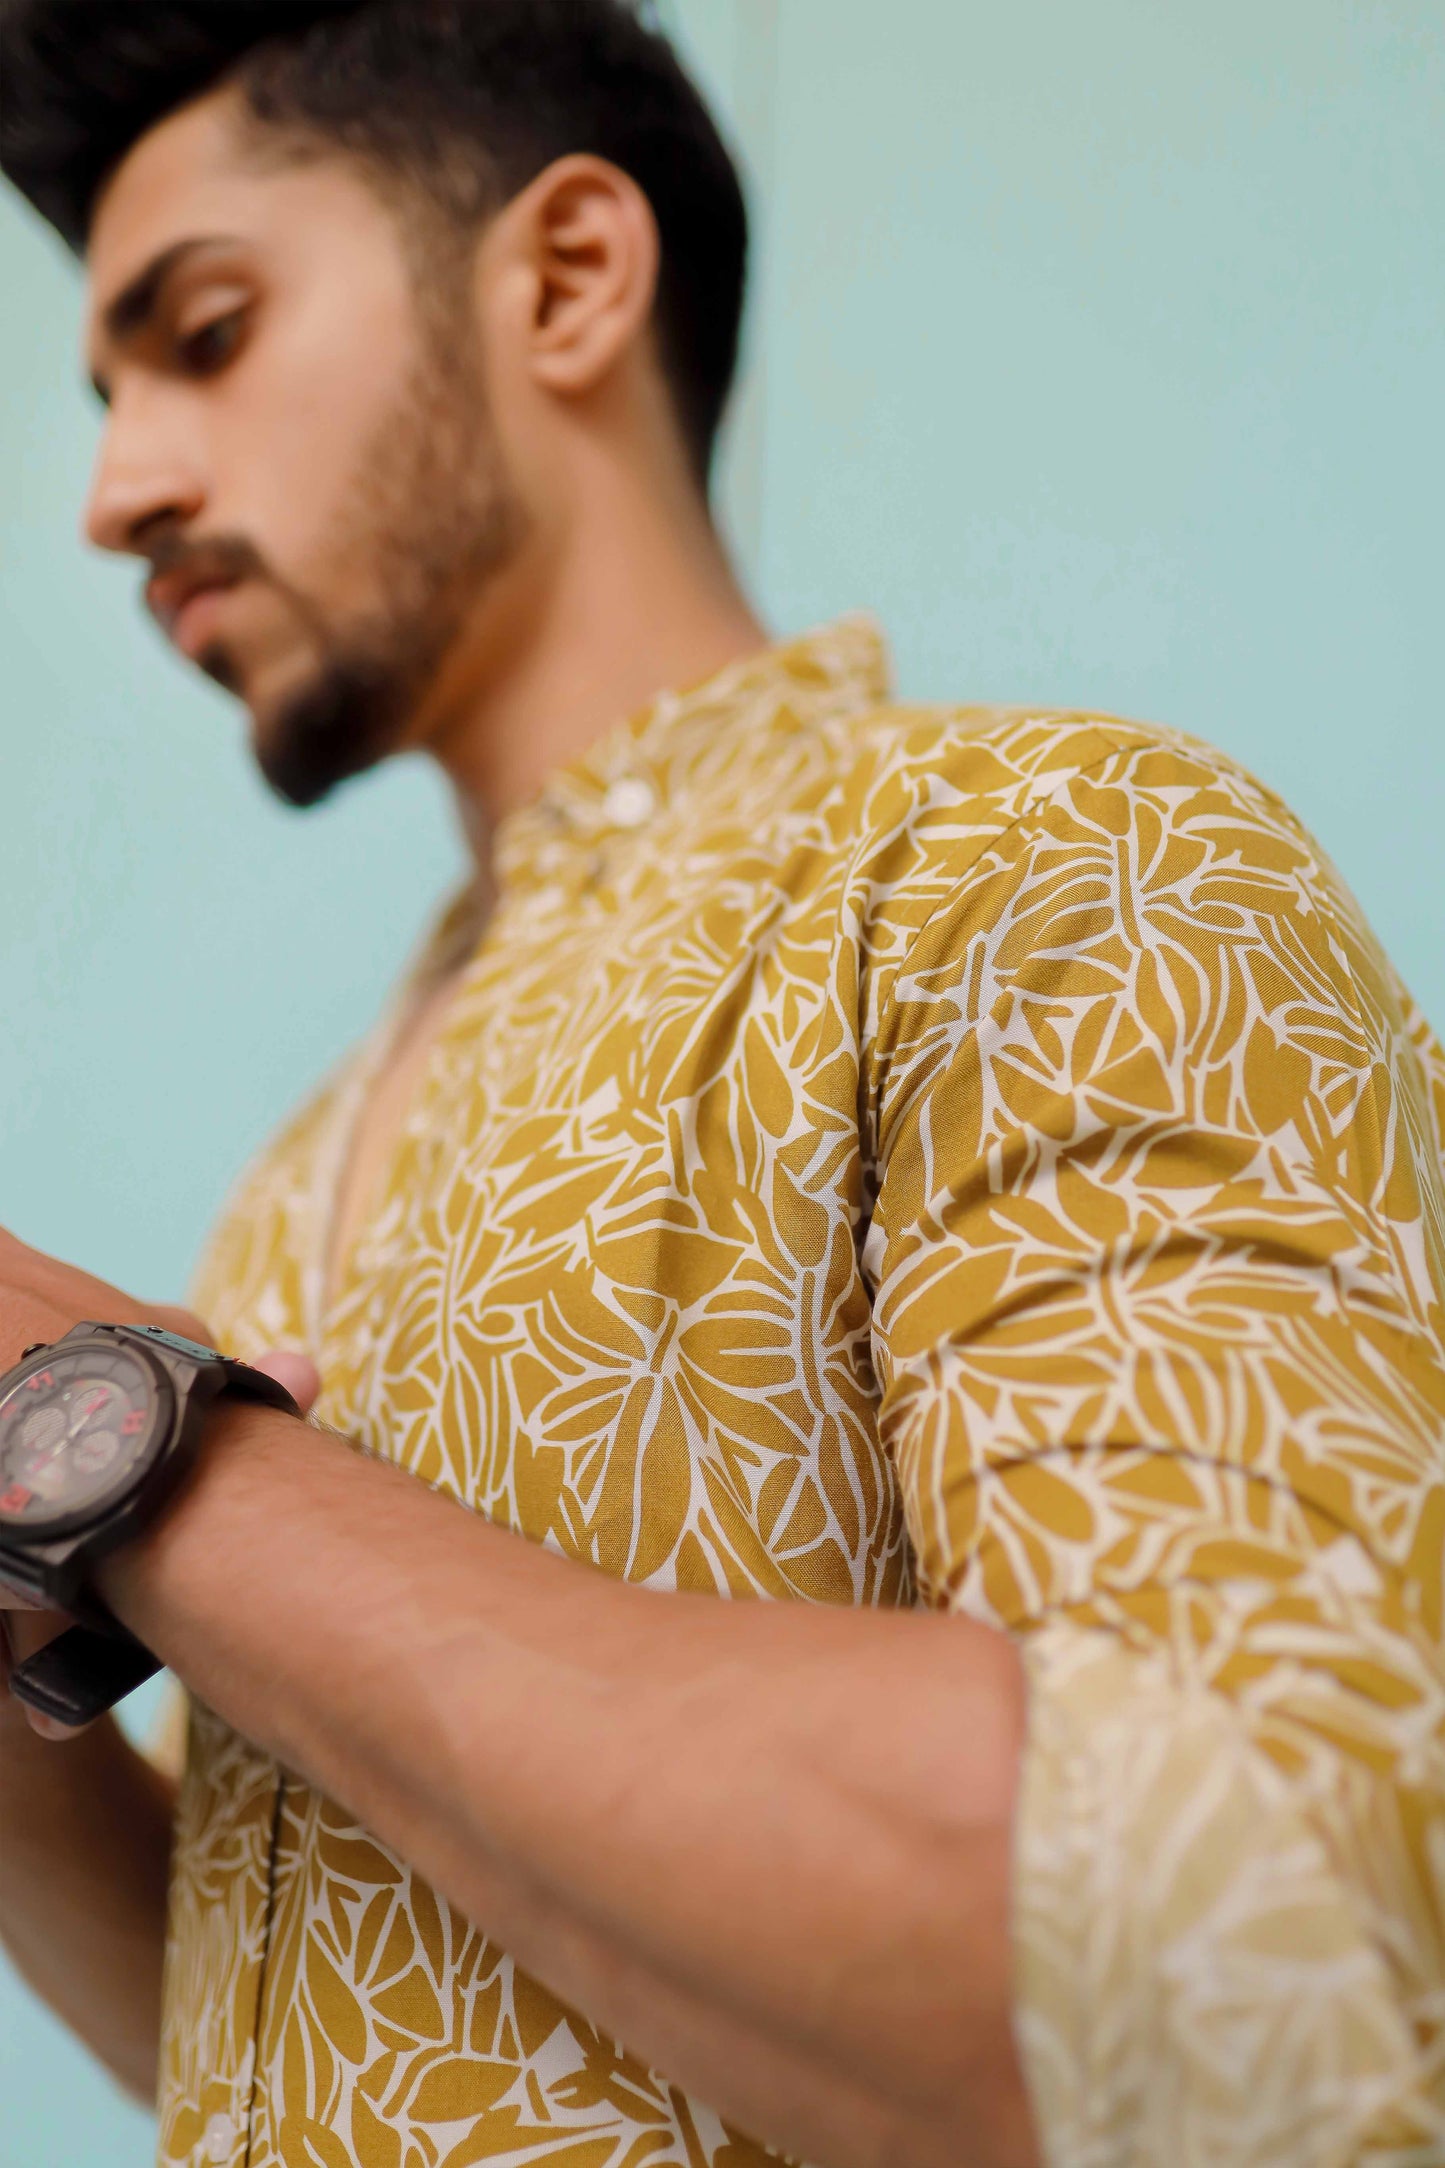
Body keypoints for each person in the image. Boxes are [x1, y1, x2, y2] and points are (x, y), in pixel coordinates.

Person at [0, 3, 1440, 2163]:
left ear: (570, 275)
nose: (121, 489)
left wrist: (132, 1456)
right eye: (105, 396)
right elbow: (291, 2026)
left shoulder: (1057, 862)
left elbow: (1259, 1965)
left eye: (204, 332)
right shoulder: (296, 1177)